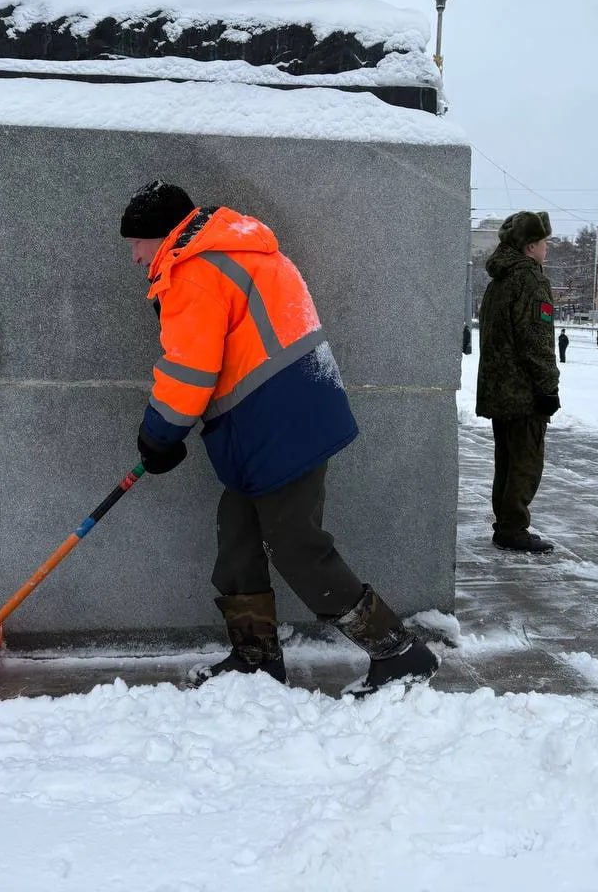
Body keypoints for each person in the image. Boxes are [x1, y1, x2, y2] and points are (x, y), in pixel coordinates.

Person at [121, 180, 439, 695]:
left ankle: (398, 652)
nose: (135, 258)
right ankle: (255, 658)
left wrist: (158, 433)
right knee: (238, 531)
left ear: (160, 237)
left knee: (295, 544)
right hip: (282, 414)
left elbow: (189, 368)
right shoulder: (235, 251)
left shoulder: (195, 270)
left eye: (136, 244)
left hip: (277, 422)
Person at [476, 210, 560, 554]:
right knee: (525, 463)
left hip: (500, 390)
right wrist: (548, 388)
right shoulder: (530, 281)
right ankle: (513, 528)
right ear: (529, 247)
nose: (547, 248)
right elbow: (537, 341)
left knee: (506, 462)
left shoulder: (499, 281)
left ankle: (506, 524)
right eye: (543, 242)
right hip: (524, 392)